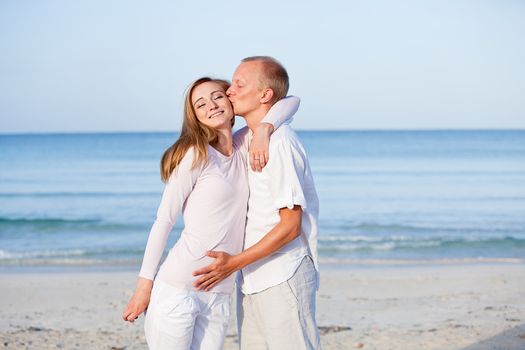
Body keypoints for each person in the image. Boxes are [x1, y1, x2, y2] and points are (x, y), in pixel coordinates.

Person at [121, 76, 299, 350]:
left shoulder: (244, 144)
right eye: (200, 104)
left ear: (230, 99)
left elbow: (291, 102)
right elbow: (164, 221)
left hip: (219, 293)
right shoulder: (196, 154)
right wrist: (144, 288)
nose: (211, 106)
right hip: (179, 289)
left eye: (217, 96)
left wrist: (264, 128)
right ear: (195, 117)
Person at [192, 57, 321, 349]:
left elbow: (290, 227)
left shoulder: (281, 143)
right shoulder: (247, 138)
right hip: (251, 278)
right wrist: (264, 126)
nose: (230, 91)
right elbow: (291, 100)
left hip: (282, 274)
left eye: (239, 84)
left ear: (264, 95)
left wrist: (233, 263)